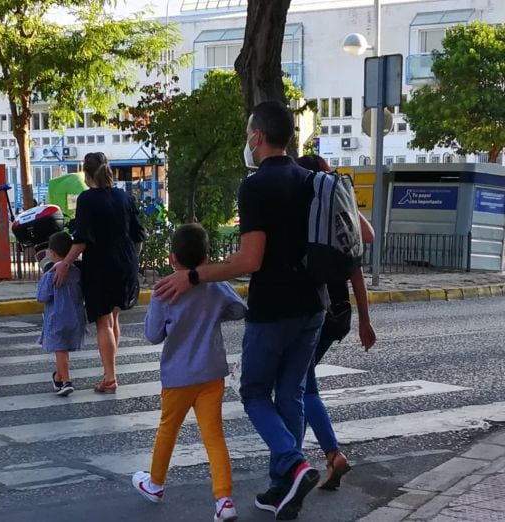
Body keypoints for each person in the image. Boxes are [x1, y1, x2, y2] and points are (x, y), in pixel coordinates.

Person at [154, 101, 324, 519]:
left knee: (253, 394)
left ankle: (293, 462)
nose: (248, 139)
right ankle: (281, 488)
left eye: (250, 132)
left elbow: (250, 260)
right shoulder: (312, 180)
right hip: (314, 303)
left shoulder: (256, 186)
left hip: (275, 305)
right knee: (291, 394)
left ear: (259, 137)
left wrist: (194, 276)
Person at [133, 224, 246, 521]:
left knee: (168, 429)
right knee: (214, 436)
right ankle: (223, 500)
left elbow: (153, 334)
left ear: (172, 258)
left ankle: (155, 484)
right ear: (207, 259)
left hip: (178, 376)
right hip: (211, 374)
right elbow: (239, 309)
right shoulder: (214, 285)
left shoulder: (165, 291)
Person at [295, 154, 378, 490]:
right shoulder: (338, 222)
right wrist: (365, 321)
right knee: (300, 382)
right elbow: (360, 255)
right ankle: (303, 457)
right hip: (340, 312)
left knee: (302, 384)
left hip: (315, 309)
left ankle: (321, 456)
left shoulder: (309, 214)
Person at [53, 152, 144, 393]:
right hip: (126, 261)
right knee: (114, 317)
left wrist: (64, 264)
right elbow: (138, 236)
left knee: (103, 322)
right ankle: (109, 371)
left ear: (87, 174)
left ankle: (110, 377)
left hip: (101, 263)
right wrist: (133, 260)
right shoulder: (124, 196)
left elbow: (82, 239)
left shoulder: (87, 199)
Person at [36, 231, 86, 397]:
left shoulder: (50, 275)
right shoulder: (77, 273)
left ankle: (66, 381)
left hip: (57, 318)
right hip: (75, 318)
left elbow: (42, 296)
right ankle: (58, 377)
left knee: (60, 350)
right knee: (63, 351)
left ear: (53, 253)